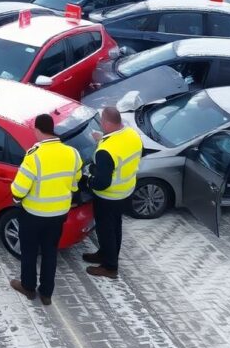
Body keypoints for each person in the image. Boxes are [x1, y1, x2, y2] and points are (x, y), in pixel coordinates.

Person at [10, 114, 83, 305]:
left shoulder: (34, 156)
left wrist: (16, 198)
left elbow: (18, 189)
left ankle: (28, 287)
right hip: (58, 215)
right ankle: (46, 293)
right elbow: (75, 184)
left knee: (29, 252)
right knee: (50, 252)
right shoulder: (73, 153)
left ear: (37, 130)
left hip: (33, 215)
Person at [84, 107, 143, 279]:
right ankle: (107, 254)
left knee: (105, 230)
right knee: (115, 226)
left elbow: (102, 183)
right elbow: (122, 151)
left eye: (102, 121)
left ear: (108, 123)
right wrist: (103, 140)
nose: (101, 124)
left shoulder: (106, 151)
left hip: (108, 196)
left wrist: (87, 181)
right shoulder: (132, 135)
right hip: (126, 191)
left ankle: (110, 267)